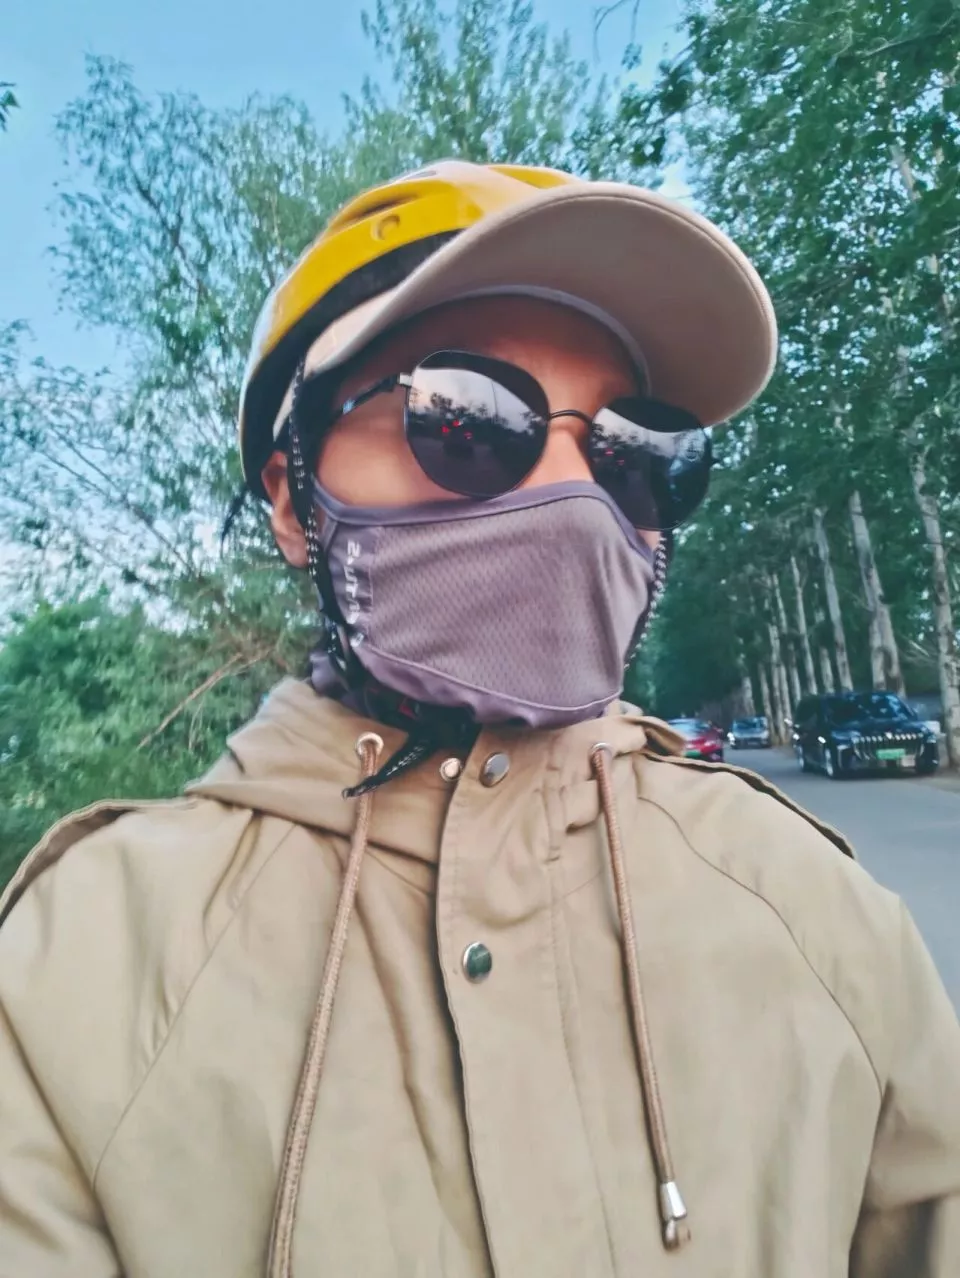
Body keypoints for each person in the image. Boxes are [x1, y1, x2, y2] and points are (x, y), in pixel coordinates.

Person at [1, 161, 958, 1278]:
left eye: (635, 452)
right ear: (292, 501)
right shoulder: (84, 966)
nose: (570, 491)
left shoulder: (817, 910)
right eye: (466, 418)